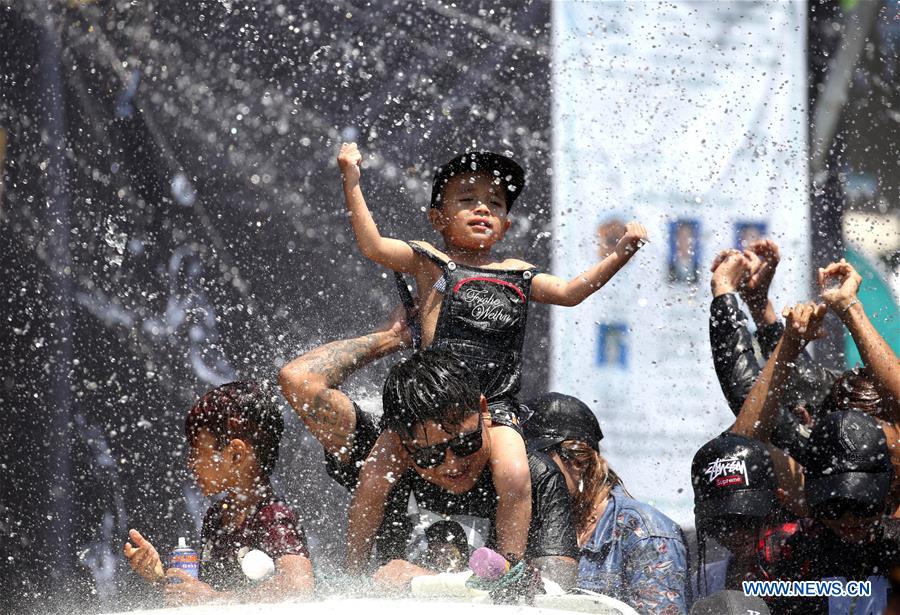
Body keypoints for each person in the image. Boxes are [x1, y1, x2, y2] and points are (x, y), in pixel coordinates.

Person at [336, 144, 648, 570]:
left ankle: (506, 569)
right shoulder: (431, 264)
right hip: (430, 404)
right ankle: (352, 567)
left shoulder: (517, 272)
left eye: (495, 203)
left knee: (516, 475)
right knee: (374, 476)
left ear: (505, 225)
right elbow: (372, 245)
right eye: (467, 200)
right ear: (437, 218)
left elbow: (573, 293)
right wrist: (350, 179)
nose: (482, 209)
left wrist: (620, 255)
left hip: (494, 407)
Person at [278, 312, 579, 591]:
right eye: (428, 456)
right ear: (400, 444)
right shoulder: (384, 460)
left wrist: (433, 584)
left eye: (465, 443)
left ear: (484, 411)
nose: (453, 464)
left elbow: (557, 595)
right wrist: (394, 338)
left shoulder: (534, 477)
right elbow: (298, 379)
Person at [123, 381, 314, 605]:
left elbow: (299, 588)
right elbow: (208, 594)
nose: (190, 463)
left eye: (197, 450)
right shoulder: (216, 516)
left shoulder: (272, 516)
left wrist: (215, 599)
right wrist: (161, 579)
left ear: (235, 455)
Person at [523, 392, 689, 614]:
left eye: (536, 462)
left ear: (578, 461)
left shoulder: (645, 533)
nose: (528, 472)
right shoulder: (526, 520)